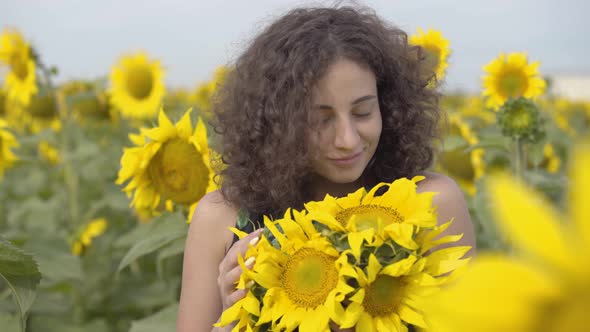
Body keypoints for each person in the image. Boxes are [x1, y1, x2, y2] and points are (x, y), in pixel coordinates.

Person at [177, 5, 476, 331]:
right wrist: (230, 319)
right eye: (320, 120)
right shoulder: (221, 220)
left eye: (362, 113)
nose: (347, 140)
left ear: (388, 108)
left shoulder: (430, 203)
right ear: (278, 124)